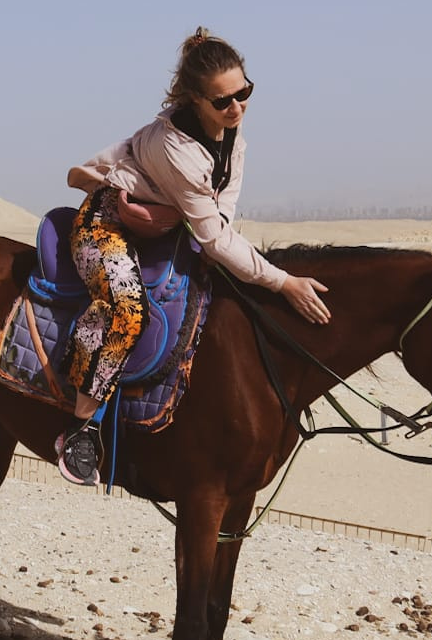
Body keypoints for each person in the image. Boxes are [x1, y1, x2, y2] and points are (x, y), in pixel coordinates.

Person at [53, 29, 332, 486]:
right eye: (223, 101)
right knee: (126, 310)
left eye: (244, 93)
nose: (237, 107)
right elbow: (217, 237)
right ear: (195, 100)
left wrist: (217, 246)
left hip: (170, 228)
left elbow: (224, 209)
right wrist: (284, 282)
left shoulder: (232, 135)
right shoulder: (173, 147)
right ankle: (83, 427)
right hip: (107, 225)